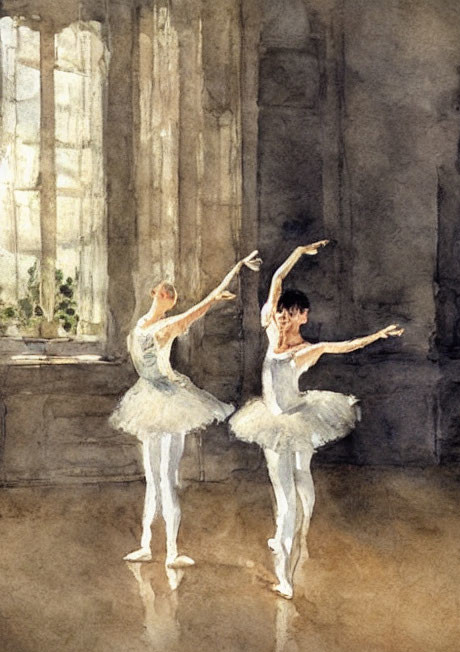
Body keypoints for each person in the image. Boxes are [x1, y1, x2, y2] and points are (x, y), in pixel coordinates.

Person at [230, 239, 403, 599]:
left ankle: (289, 566)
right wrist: (298, 252)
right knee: (282, 486)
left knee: (299, 479)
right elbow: (276, 279)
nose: (281, 316)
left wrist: (378, 336)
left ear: (303, 317)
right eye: (280, 311)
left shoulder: (307, 350)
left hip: (299, 417)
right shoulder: (268, 331)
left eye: (289, 313)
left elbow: (346, 345)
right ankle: (285, 535)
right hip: (271, 421)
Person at [111, 251, 261, 567]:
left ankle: (173, 551)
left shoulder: (164, 327)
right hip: (149, 399)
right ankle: (147, 545)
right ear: (156, 294)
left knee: (167, 477)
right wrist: (223, 283)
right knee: (153, 478)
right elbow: (189, 314)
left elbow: (195, 312)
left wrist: (228, 277)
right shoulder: (141, 326)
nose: (167, 299)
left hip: (170, 402)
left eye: (170, 297)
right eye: (165, 294)